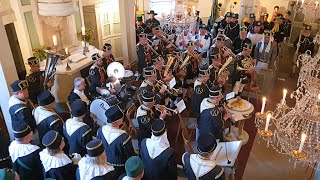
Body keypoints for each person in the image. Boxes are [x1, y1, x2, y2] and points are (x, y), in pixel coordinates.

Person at [96, 105, 135, 177]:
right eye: (121, 118)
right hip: (121, 167)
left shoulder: (100, 131)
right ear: (117, 122)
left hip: (105, 164)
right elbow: (130, 155)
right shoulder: (124, 137)